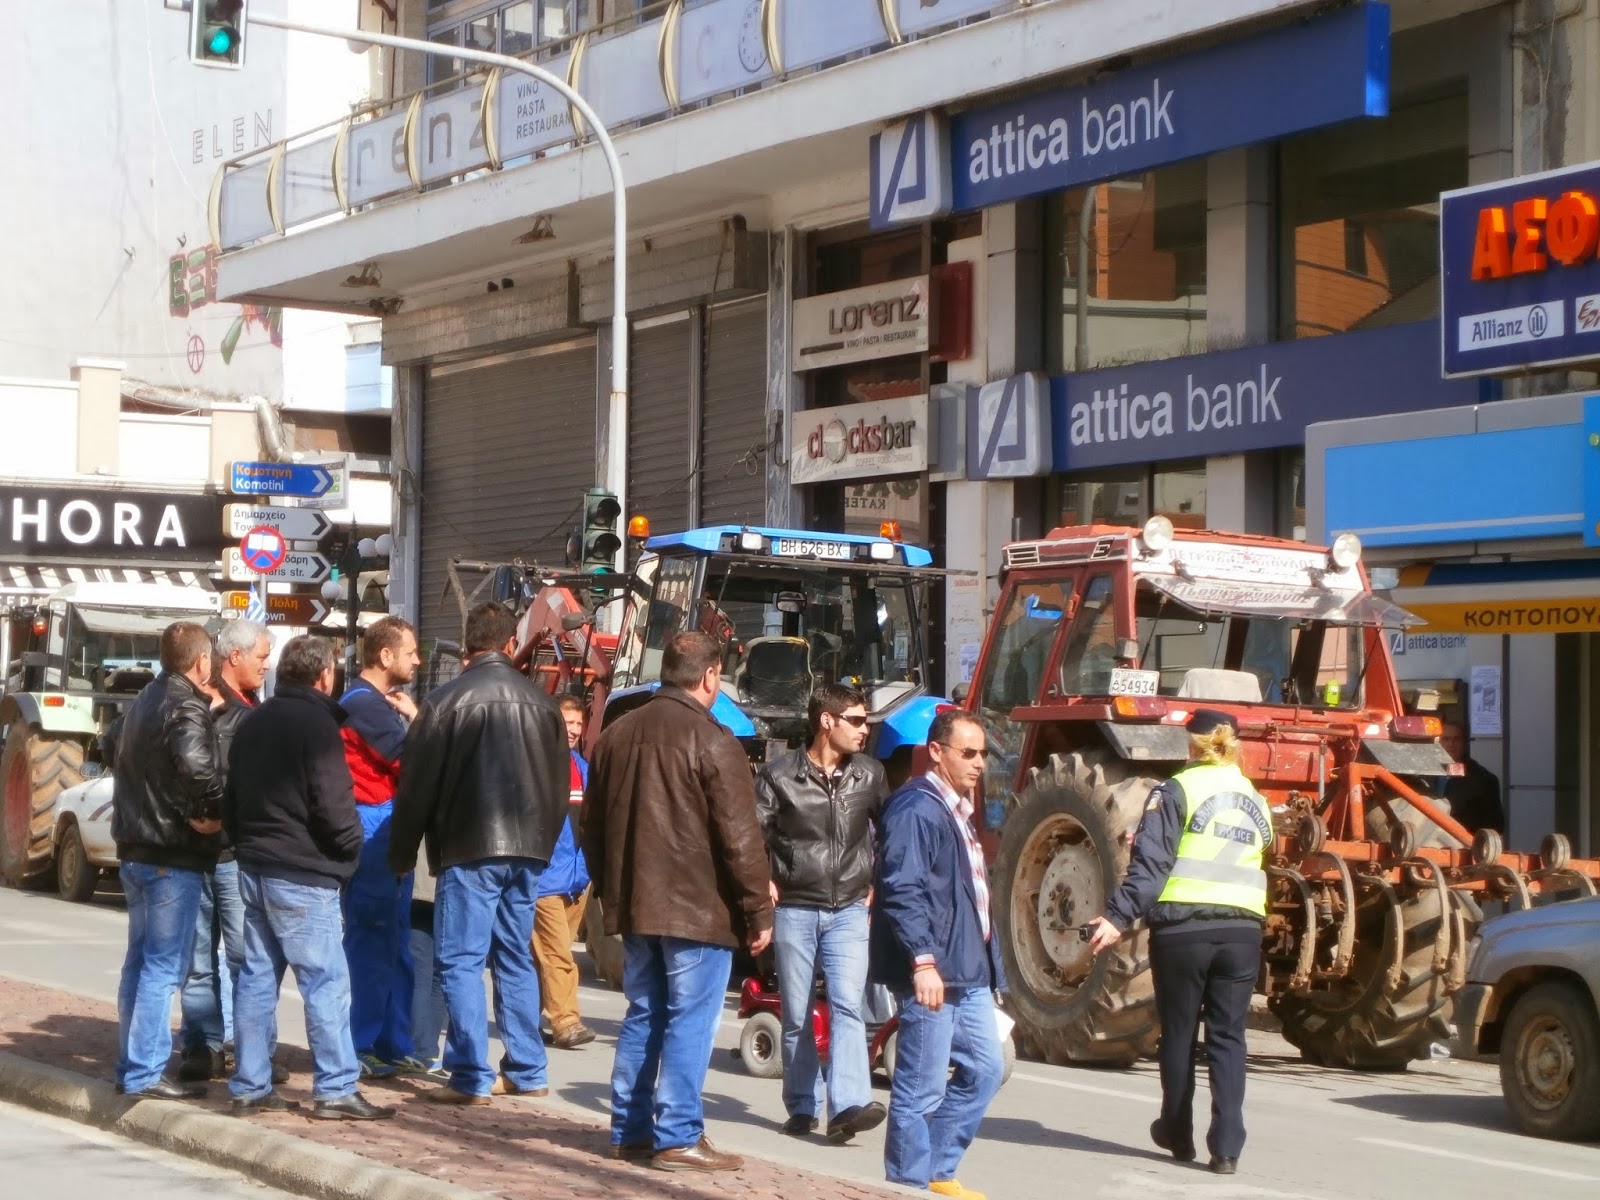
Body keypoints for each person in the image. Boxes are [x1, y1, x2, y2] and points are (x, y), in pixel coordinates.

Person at [582, 631, 773, 1172]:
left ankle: (631, 1129)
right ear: (710, 676)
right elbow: (741, 838)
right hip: (699, 907)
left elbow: (592, 828)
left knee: (645, 1013)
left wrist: (609, 888)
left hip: (639, 903)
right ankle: (678, 1134)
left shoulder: (615, 736)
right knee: (691, 1020)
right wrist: (759, 911)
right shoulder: (714, 740)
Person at [390, 602, 569, 1105]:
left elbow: (417, 787)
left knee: (460, 960)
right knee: (514, 957)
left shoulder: (446, 702)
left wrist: (404, 851)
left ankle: (470, 1072)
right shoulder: (543, 704)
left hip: (471, 846)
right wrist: (544, 843)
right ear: (511, 645)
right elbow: (560, 787)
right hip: (528, 849)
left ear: (467, 644)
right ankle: (528, 1068)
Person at [1086, 709, 1270, 1176]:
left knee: (1181, 1033)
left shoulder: (1176, 790)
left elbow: (1152, 868)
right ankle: (1227, 1147)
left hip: (1185, 931)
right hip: (1243, 931)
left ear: (1192, 744)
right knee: (1229, 1037)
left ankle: (1176, 1131)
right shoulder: (1255, 797)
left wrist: (1115, 917)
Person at [226, 634, 393, 1121]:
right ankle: (336, 1086)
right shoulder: (318, 725)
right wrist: (348, 852)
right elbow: (334, 803)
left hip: (256, 864)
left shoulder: (255, 720)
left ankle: (250, 1083)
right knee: (326, 981)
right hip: (303, 869)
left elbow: (232, 794)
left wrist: (244, 843)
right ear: (325, 676)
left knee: (258, 978)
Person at [871, 710, 1005, 1200]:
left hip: (966, 970)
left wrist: (992, 970)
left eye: (983, 753)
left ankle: (936, 1169)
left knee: (987, 1069)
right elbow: (904, 889)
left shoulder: (956, 809)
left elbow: (972, 896)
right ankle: (907, 1185)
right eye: (967, 753)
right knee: (920, 1087)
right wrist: (922, 961)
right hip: (933, 970)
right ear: (936, 752)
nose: (979, 764)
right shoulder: (916, 808)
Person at [755, 683, 887, 1143]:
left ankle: (848, 1104)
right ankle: (802, 1103)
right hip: (794, 907)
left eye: (866, 720)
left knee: (848, 1006)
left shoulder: (869, 775)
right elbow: (753, 835)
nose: (864, 729)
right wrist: (764, 881)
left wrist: (876, 883)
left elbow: (891, 834)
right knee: (796, 1014)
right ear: (826, 721)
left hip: (850, 908)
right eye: (856, 720)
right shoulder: (779, 776)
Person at [111, 621, 224, 1100]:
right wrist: (214, 814)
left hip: (136, 849)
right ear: (202, 663)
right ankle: (143, 1071)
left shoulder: (144, 700)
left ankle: (131, 1065)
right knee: (161, 967)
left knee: (139, 965)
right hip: (169, 854)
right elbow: (199, 770)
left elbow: (107, 743)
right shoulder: (184, 705)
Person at [177, 619, 269, 1084]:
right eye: (261, 657)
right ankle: (203, 1047)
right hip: (193, 855)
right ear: (234, 657)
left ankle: (254, 1051)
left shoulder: (251, 716)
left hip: (233, 855)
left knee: (244, 959)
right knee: (196, 961)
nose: (266, 666)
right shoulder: (192, 707)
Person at [339, 615, 426, 1079]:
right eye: (411, 652)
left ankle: (394, 1041)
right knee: (371, 940)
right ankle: (362, 1042)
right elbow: (408, 756)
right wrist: (419, 721)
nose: (418, 660)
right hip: (372, 830)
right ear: (385, 655)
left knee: (397, 941)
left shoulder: (378, 703)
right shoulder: (362, 704)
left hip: (391, 827)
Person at [531, 695, 597, 1050]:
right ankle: (566, 1022)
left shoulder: (581, 767)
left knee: (539, 959)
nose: (573, 730)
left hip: (575, 883)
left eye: (577, 724)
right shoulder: (536, 764)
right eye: (566, 722)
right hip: (545, 881)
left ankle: (526, 1021)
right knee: (559, 956)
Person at [1439, 721, 1503, 836]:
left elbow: (1494, 827)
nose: (1451, 744)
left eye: (1456, 739)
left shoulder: (1484, 780)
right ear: (1438, 742)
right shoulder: (1423, 776)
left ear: (1465, 743)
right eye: (1446, 739)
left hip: (1463, 846)